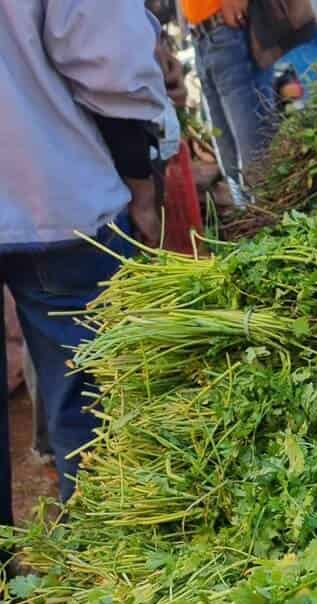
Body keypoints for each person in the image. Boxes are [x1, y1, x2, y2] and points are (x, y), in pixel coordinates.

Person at [0, 0, 167, 574]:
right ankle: (105, 589)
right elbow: (109, 60)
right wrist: (142, 177)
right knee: (97, 408)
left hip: (51, 198)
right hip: (55, 191)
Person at [182, 0, 276, 205]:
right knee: (230, 160)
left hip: (229, 30)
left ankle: (270, 222)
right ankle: (253, 219)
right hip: (203, 35)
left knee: (256, 158)